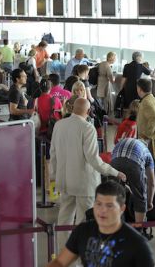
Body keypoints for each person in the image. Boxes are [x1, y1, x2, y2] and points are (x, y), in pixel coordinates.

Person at [50, 98, 126, 228]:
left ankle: (64, 248)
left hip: (64, 181)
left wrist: (54, 177)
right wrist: (115, 172)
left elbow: (53, 154)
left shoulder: (59, 125)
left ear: (73, 108)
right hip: (83, 184)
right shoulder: (88, 128)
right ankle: (81, 247)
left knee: (64, 220)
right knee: (84, 222)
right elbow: (93, 159)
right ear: (89, 111)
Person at [47, 181, 155, 267]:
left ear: (122, 209)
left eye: (109, 206)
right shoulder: (83, 231)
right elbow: (60, 262)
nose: (102, 210)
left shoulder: (137, 243)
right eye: (98, 204)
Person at [111, 138, 155, 223]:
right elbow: (152, 183)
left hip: (114, 162)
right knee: (139, 197)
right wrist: (149, 202)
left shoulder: (124, 141)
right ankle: (138, 231)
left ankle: (115, 228)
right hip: (133, 164)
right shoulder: (147, 153)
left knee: (114, 196)